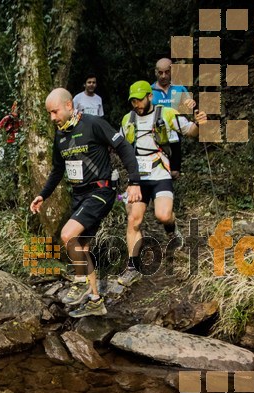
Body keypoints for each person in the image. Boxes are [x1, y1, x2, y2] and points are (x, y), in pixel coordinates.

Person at [30, 88, 140, 317]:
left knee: (68, 235)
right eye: (49, 114)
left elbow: (123, 147)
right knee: (82, 247)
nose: (52, 118)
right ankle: (95, 300)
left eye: (55, 112)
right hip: (79, 195)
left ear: (69, 105)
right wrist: (43, 194)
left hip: (101, 192)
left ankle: (79, 281)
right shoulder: (60, 136)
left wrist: (135, 181)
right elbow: (58, 170)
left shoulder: (93, 124)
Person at [116, 80, 206, 287]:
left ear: (149, 96)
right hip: (138, 178)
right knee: (134, 221)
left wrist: (199, 123)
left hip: (160, 173)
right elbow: (118, 144)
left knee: (163, 215)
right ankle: (133, 267)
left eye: (140, 99)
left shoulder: (165, 114)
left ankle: (172, 229)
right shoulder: (127, 120)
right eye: (133, 101)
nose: (136, 104)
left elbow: (191, 131)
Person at [152, 58, 194, 179]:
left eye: (167, 72)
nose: (163, 76)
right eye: (160, 72)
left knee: (174, 172)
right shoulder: (149, 90)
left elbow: (189, 108)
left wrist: (190, 104)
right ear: (155, 72)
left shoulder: (179, 89)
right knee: (158, 171)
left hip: (175, 135)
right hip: (155, 136)